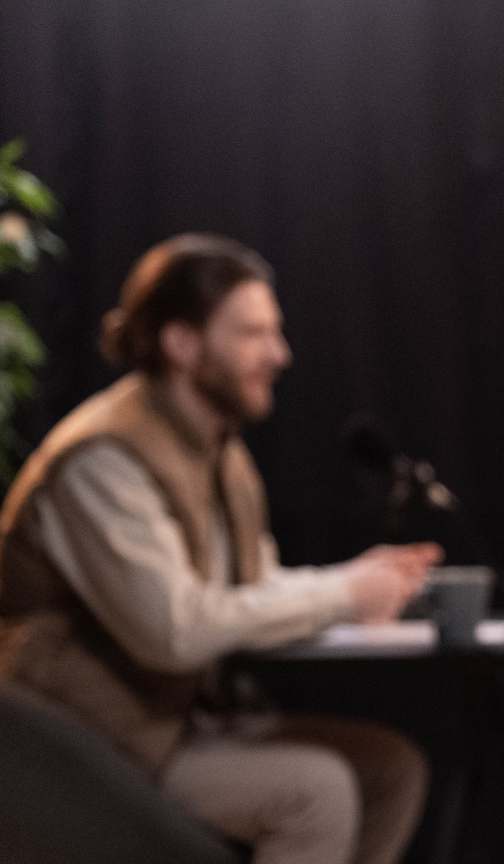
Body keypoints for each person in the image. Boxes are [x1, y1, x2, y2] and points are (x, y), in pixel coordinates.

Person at [0, 233, 442, 864]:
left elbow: (250, 587)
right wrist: (342, 594)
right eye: (252, 334)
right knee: (316, 792)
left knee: (390, 769)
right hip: (75, 741)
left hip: (170, 723)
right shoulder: (102, 459)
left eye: (276, 332)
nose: (279, 354)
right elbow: (174, 631)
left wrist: (358, 583)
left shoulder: (219, 451)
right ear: (182, 343)